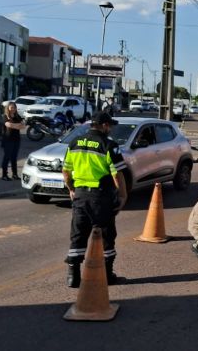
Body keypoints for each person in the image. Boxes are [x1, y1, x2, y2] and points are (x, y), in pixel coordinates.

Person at [62, 112, 128, 288]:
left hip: (80, 196)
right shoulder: (109, 144)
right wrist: (122, 196)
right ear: (104, 125)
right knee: (106, 235)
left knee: (78, 235)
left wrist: (71, 190)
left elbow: (66, 172)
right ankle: (107, 274)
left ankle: (73, 276)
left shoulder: (74, 142)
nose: (111, 129)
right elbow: (117, 174)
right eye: (110, 126)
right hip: (101, 197)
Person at [0, 102, 25, 181]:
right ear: (8, 108)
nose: (13, 109)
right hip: (8, 140)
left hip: (16, 140)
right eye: (11, 107)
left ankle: (15, 174)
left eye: (14, 107)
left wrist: (15, 126)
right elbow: (8, 125)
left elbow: (23, 126)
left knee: (14, 158)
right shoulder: (5, 116)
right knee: (7, 158)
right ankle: (4, 175)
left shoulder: (17, 116)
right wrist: (17, 126)